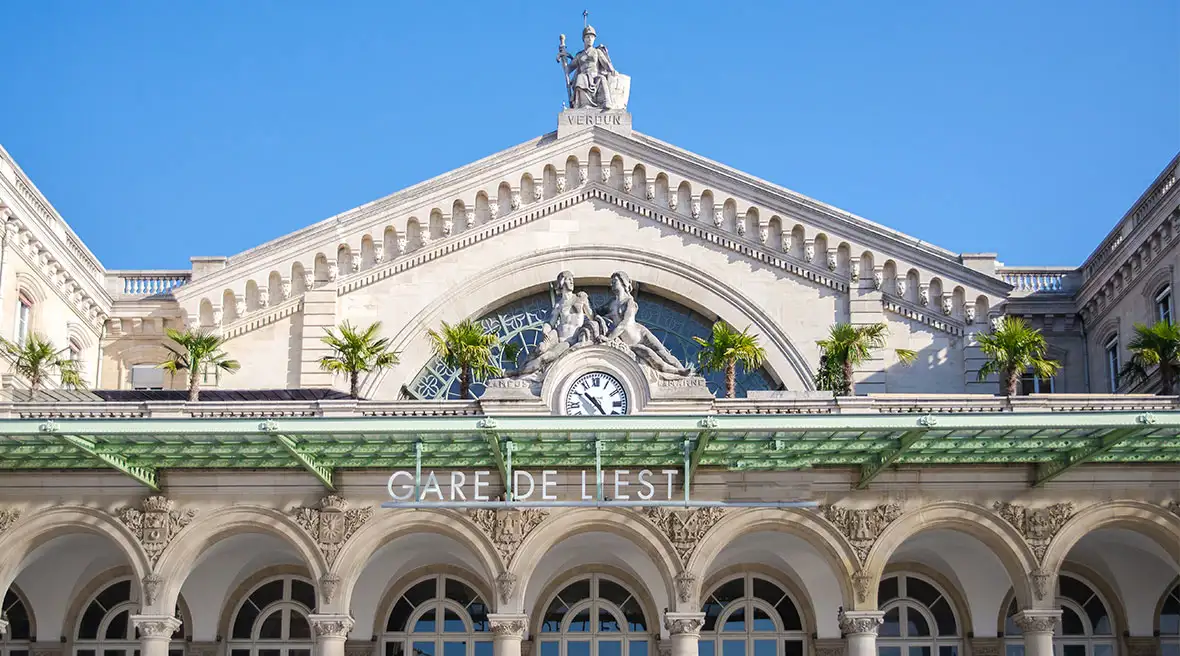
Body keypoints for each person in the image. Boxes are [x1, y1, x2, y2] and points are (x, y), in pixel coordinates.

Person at [596, 271, 692, 376]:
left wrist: (609, 338)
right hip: (631, 343)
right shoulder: (611, 304)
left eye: (615, 281)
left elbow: (625, 323)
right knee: (651, 356)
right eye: (612, 282)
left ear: (623, 283)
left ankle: (681, 368)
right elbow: (595, 313)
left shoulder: (629, 302)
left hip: (640, 332)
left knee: (662, 351)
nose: (612, 284)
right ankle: (677, 372)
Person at [509, 271, 597, 376]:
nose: (571, 282)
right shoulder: (559, 305)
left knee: (544, 358)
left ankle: (519, 374)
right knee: (539, 349)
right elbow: (551, 323)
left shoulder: (580, 298)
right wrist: (545, 329)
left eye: (572, 280)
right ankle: (520, 370)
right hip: (557, 336)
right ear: (562, 282)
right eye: (568, 279)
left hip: (570, 340)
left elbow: (593, 317)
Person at [559, 25, 618, 109]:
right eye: (587, 37)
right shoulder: (580, 55)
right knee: (580, 78)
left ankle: (607, 102)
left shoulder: (597, 52)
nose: (590, 39)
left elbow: (605, 63)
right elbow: (568, 69)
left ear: (594, 39)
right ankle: (583, 104)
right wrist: (564, 60)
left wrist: (612, 70)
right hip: (584, 75)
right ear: (584, 39)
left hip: (595, 76)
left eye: (592, 37)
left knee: (602, 79)